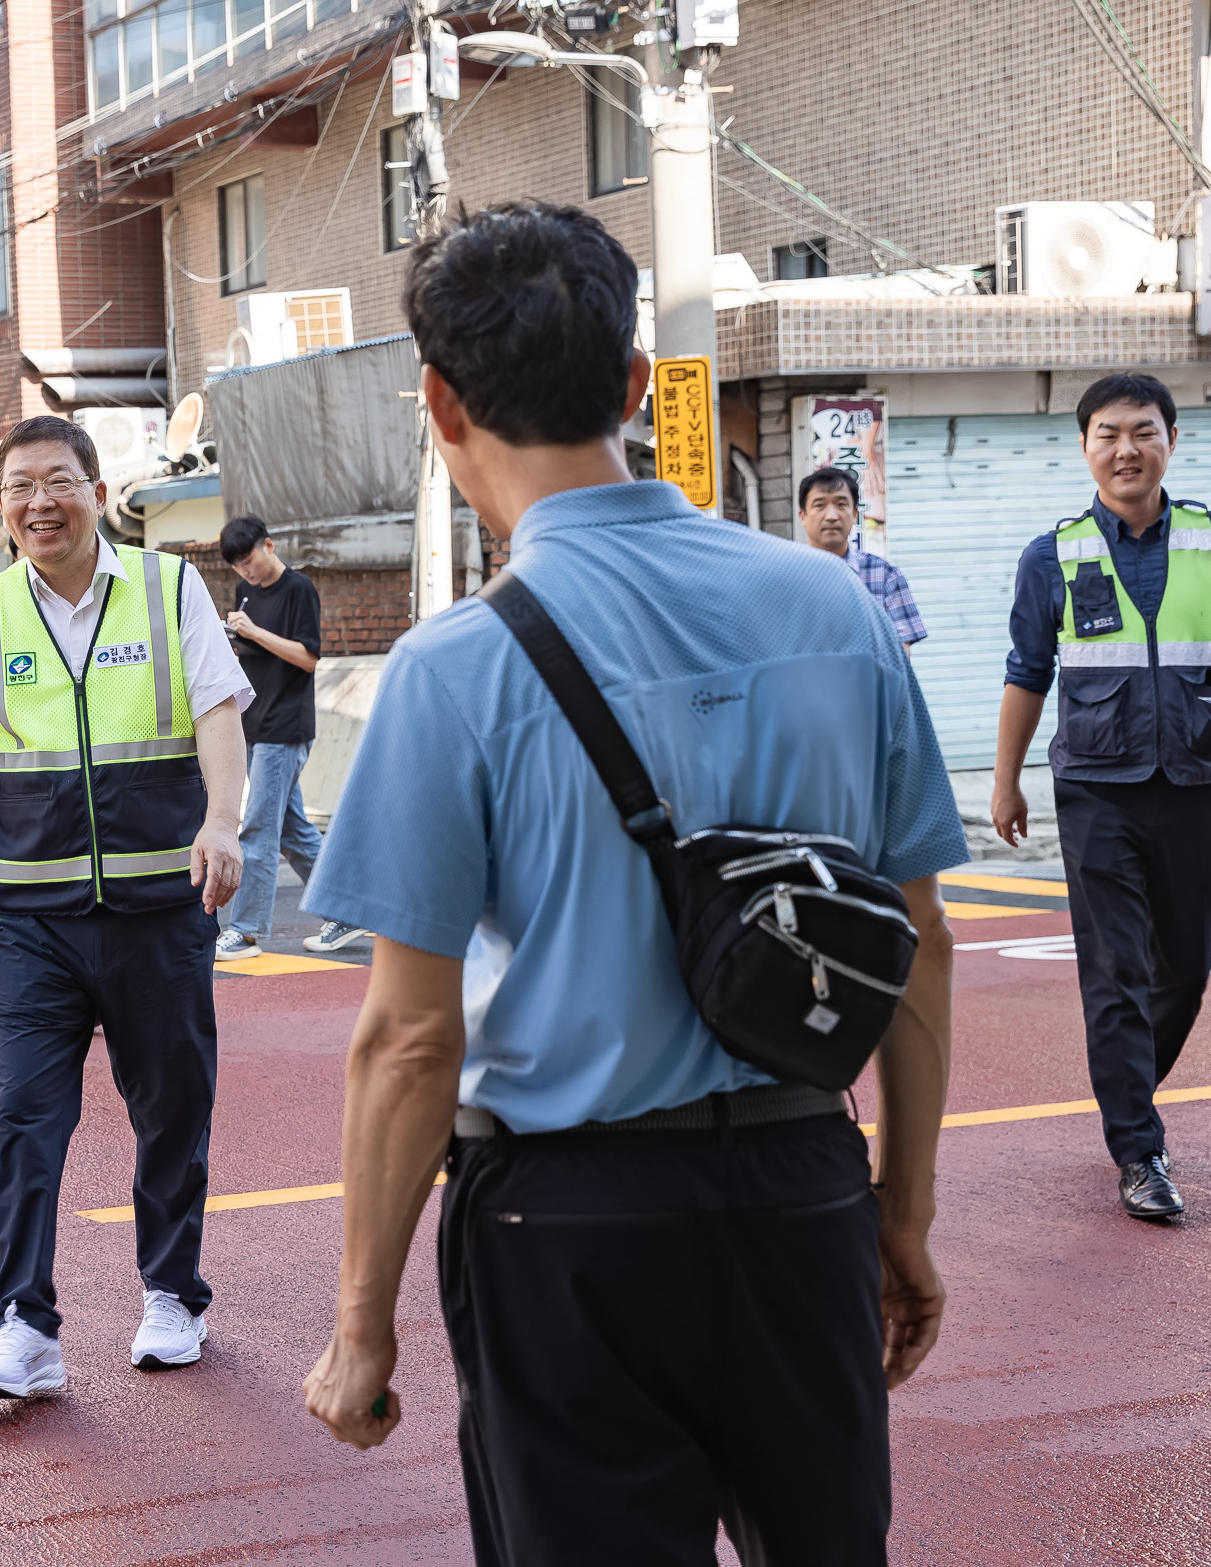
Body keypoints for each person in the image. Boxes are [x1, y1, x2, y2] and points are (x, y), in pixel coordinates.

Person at [296, 203, 964, 1565]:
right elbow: (918, 946)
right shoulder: (835, 607)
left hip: (565, 1224)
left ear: (440, 400)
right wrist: (897, 1214)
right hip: (800, 1185)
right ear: (632, 383)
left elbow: (412, 1036)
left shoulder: (455, 668)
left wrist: (364, 1323)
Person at [0, 414, 251, 1397]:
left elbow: (218, 711)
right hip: (32, 917)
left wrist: (222, 820)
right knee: (21, 1115)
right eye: (17, 487)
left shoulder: (167, 585)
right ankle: (22, 1322)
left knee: (170, 1105)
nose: (37, 502)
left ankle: (170, 1290)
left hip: (160, 903)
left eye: (56, 481)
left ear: (96, 493)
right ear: (1, 508)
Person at [990, 372, 1211, 1222]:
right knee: (1114, 968)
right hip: (1094, 788)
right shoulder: (1054, 554)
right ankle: (1139, 1148)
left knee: (1185, 965)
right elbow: (1025, 674)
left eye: (1142, 431)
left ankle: (1126, 1092)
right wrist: (1004, 779)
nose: (1126, 449)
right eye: (1108, 433)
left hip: (1194, 779)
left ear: (1172, 440)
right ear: (1085, 447)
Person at [211, 515, 356, 960]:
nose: (245, 572)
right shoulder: (245, 593)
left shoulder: (299, 589)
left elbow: (307, 657)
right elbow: (258, 651)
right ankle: (349, 906)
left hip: (286, 728)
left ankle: (247, 930)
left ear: (268, 545)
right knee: (292, 831)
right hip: (255, 724)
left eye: (249, 560)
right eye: (236, 567)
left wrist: (253, 631)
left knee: (257, 829)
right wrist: (234, 637)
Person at [797, 464, 927, 650]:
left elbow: (900, 653)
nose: (832, 516)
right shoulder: (786, 576)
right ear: (803, 516)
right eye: (819, 506)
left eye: (841, 505)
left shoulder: (885, 575)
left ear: (855, 514)